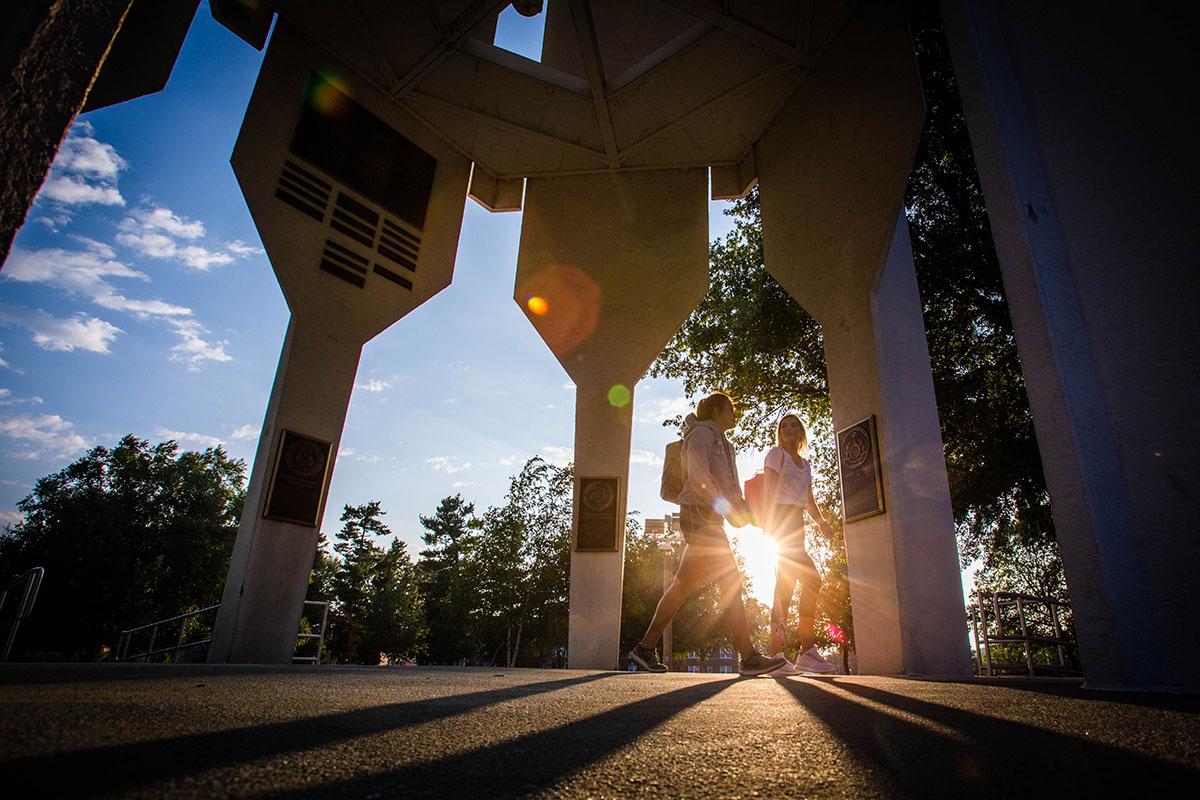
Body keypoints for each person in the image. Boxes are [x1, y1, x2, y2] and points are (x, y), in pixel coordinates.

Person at [628, 392, 785, 676]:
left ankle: (644, 649)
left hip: (709, 515)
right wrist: (727, 510)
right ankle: (748, 657)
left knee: (682, 585)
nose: (735, 413)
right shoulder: (701, 435)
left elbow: (725, 485)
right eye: (731, 408)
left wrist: (742, 511)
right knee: (731, 580)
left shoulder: (723, 443)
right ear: (717, 410)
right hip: (699, 514)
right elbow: (699, 479)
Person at [763, 414, 837, 675]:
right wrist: (769, 524)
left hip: (797, 525)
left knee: (791, 585)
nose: (789, 429)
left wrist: (823, 524)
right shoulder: (776, 455)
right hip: (781, 522)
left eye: (794, 425)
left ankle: (792, 653)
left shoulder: (805, 465)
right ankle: (786, 653)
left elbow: (809, 502)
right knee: (804, 582)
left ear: (801, 432)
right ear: (779, 433)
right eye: (784, 426)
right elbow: (769, 491)